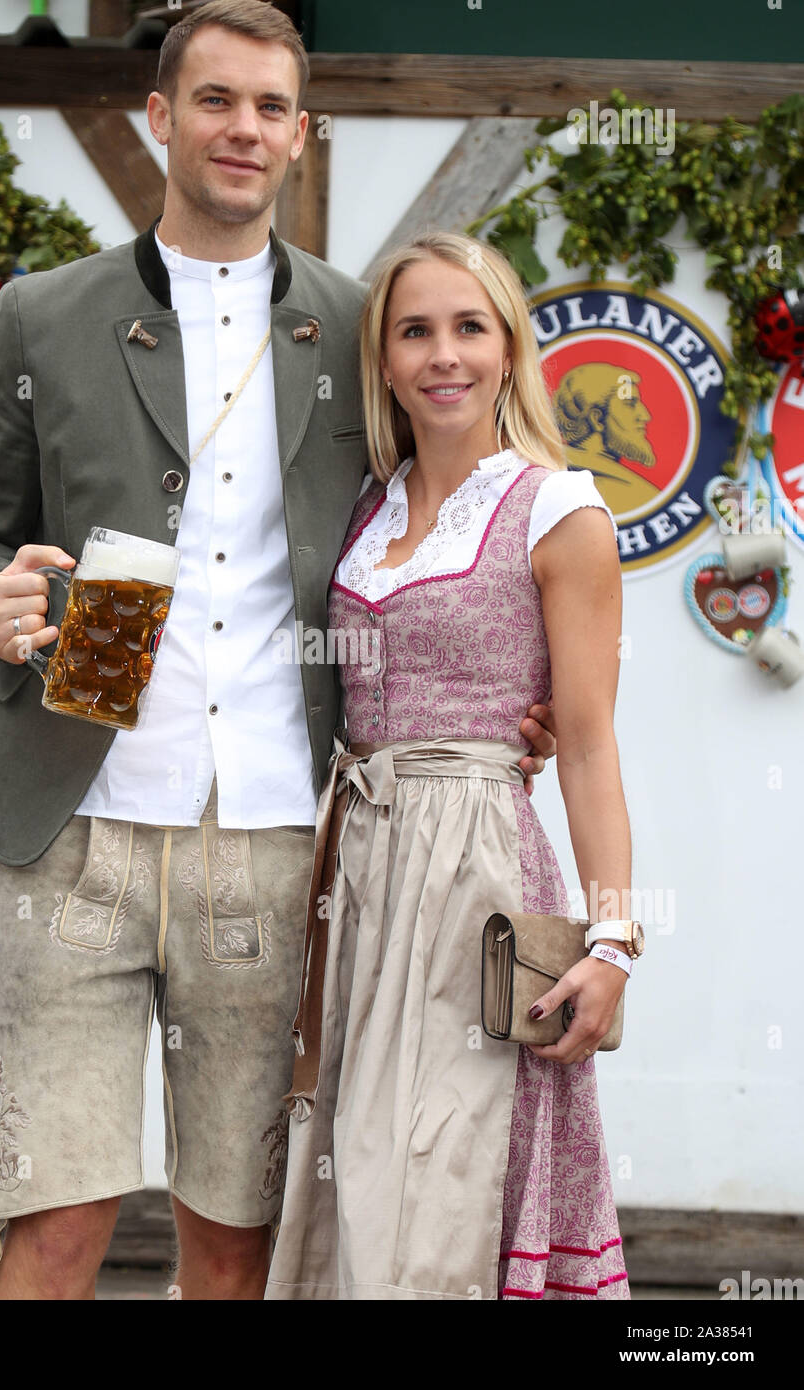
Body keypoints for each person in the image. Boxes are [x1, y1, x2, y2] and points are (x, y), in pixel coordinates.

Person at [0, 1, 556, 1301]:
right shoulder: (45, 316)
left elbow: (443, 521)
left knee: (236, 1238)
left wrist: (501, 698)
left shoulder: (358, 322)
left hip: (274, 836)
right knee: (51, 1224)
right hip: (69, 822)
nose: (243, 128)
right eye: (215, 99)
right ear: (159, 118)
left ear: (300, 133)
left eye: (271, 107)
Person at [266, 232, 636, 1301]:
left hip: (478, 876)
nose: (445, 354)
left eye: (471, 326)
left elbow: (593, 737)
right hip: (358, 873)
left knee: (443, 1182)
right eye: (414, 330)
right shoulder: (362, 508)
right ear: (381, 360)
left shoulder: (559, 509)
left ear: (511, 348)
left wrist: (614, 939)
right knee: (353, 1170)